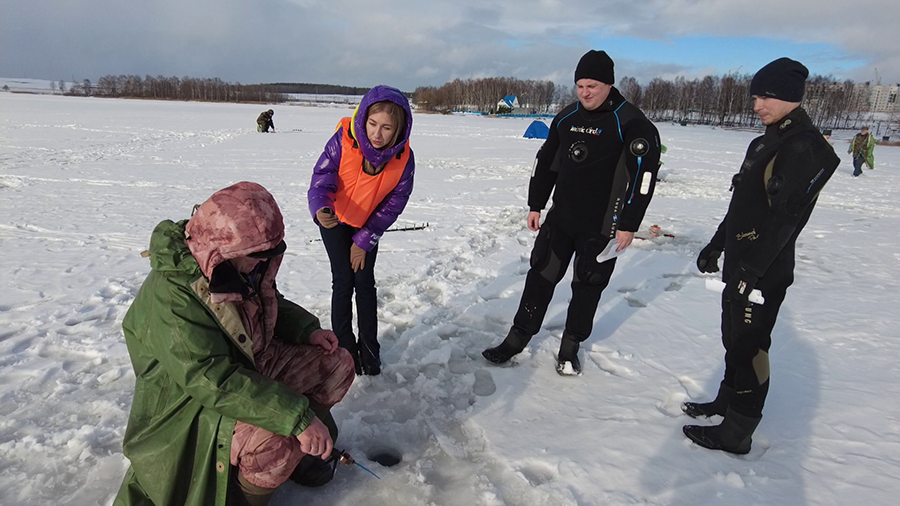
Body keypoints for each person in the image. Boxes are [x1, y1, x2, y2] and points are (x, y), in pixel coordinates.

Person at [114, 182, 356, 506]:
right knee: (277, 439)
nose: (260, 263)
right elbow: (212, 379)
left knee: (335, 366)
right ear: (222, 246)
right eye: (255, 256)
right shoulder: (172, 296)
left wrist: (306, 330)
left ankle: (299, 451)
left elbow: (268, 301)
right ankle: (243, 496)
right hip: (194, 404)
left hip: (251, 365)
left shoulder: (238, 264)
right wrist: (296, 418)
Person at [683, 58, 840, 455]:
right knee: (732, 336)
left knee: (751, 346)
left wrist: (751, 271)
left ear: (789, 97)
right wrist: (717, 245)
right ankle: (726, 401)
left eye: (765, 96)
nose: (757, 105)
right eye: (755, 96)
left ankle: (737, 431)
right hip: (740, 262)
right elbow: (743, 204)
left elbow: (786, 222)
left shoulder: (804, 146)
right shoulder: (764, 141)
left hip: (764, 269)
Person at [481, 50, 661, 375]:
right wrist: (535, 204)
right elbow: (546, 163)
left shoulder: (631, 122)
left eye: (592, 85)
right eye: (580, 86)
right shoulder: (566, 117)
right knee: (540, 275)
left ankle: (570, 345)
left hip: (604, 225)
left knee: (588, 285)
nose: (585, 93)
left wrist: (629, 224)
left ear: (609, 84)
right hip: (561, 219)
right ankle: (518, 336)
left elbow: (643, 180)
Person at [308, 85, 415, 376]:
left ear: (399, 130)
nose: (377, 134)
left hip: (368, 225)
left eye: (386, 128)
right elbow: (323, 177)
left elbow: (395, 202)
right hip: (335, 221)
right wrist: (321, 208)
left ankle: (370, 351)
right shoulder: (342, 141)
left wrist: (365, 240)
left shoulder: (404, 159)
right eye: (372, 124)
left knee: (364, 284)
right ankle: (345, 351)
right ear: (363, 119)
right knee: (343, 281)